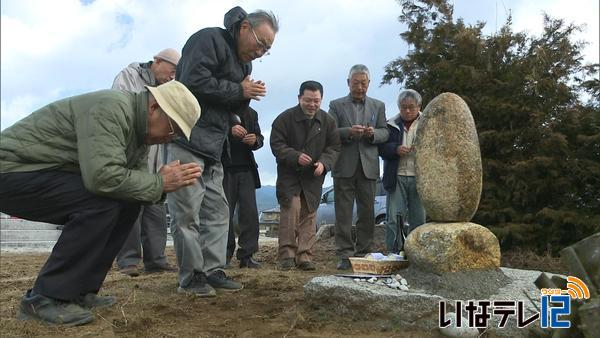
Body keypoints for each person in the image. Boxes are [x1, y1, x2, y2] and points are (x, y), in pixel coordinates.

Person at [0, 80, 202, 326]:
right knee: (99, 203)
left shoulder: (138, 136)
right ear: (154, 108)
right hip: (11, 170)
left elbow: (132, 187)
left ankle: (79, 290)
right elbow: (102, 178)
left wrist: (159, 184)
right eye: (173, 129)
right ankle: (46, 297)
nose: (170, 139)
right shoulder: (112, 108)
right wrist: (160, 183)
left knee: (128, 203)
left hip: (41, 173)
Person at [168, 6, 278, 296]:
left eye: (268, 49)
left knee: (218, 211)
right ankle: (191, 276)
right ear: (244, 28)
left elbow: (231, 104)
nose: (261, 52)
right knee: (187, 213)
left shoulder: (245, 67)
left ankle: (213, 270)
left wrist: (247, 96)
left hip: (216, 146)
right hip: (188, 137)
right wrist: (239, 91)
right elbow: (192, 81)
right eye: (261, 43)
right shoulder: (208, 40)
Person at [111, 48, 181, 276]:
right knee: (130, 206)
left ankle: (157, 260)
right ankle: (129, 261)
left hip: (157, 155)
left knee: (155, 207)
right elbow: (120, 105)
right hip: (132, 152)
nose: (172, 77)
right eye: (171, 71)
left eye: (175, 75)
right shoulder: (129, 76)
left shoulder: (169, 87)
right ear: (157, 61)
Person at [270, 81, 340, 271]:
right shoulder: (284, 119)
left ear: (321, 100)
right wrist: (295, 156)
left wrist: (324, 164)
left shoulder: (328, 121)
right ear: (300, 98)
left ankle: (305, 256)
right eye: (308, 100)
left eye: (316, 101)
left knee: (309, 214)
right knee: (291, 210)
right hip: (289, 174)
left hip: (313, 176)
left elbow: (334, 148)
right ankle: (287, 254)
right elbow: (277, 145)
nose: (312, 104)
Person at [329, 64, 389, 270]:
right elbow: (330, 132)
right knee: (343, 213)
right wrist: (349, 132)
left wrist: (373, 134)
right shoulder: (336, 105)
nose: (360, 87)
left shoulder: (378, 105)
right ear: (348, 83)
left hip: (369, 166)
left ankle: (364, 252)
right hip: (344, 165)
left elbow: (385, 132)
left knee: (367, 212)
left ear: (369, 84)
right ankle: (345, 254)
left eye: (364, 83)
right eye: (356, 83)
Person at [379, 89, 426, 253]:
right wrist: (395, 149)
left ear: (419, 106)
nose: (407, 111)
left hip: (420, 178)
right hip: (396, 176)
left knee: (419, 218)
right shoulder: (390, 125)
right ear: (399, 107)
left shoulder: (427, 123)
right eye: (403, 107)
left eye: (411, 107)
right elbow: (381, 149)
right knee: (393, 218)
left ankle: (417, 253)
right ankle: (394, 252)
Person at [222, 106, 264, 268]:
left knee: (249, 214)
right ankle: (223, 255)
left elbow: (259, 138)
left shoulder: (252, 113)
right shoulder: (220, 109)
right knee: (224, 214)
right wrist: (229, 132)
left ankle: (247, 255)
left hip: (247, 168)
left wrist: (255, 140)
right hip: (225, 168)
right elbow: (211, 134)